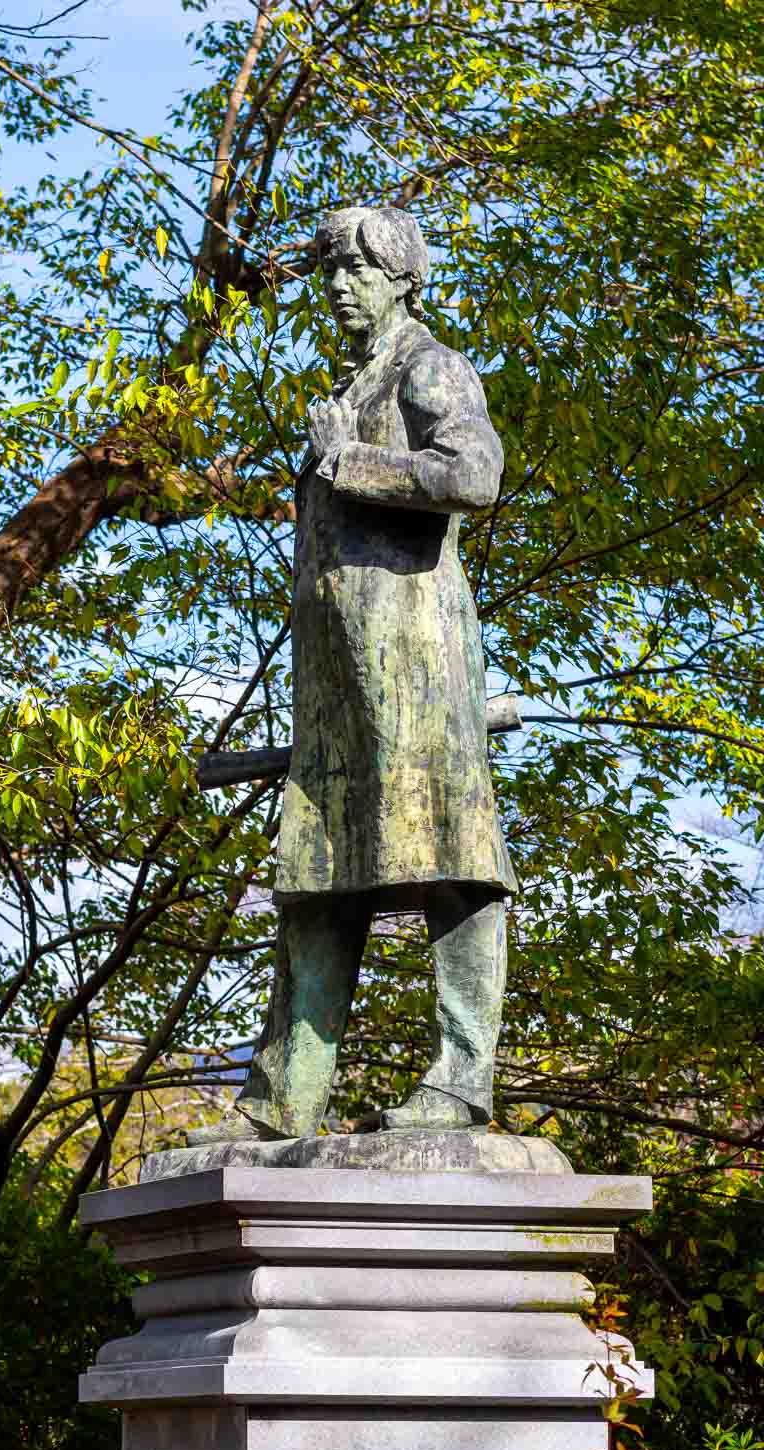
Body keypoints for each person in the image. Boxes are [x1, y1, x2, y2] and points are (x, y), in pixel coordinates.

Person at [203, 205, 515, 1141]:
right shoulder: (353, 382)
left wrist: (349, 459)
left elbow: (474, 475)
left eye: (357, 269)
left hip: (418, 664)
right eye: (329, 270)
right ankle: (283, 1102)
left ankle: (462, 1081)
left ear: (402, 278)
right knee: (316, 877)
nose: (338, 285)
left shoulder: (431, 367)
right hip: (342, 681)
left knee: (453, 865)